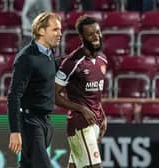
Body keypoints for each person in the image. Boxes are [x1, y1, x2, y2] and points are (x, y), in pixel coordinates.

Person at [7, 12, 62, 168]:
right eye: (55, 29)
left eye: (60, 29)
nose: (60, 33)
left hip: (45, 123)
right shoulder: (26, 57)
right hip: (30, 123)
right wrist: (15, 131)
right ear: (41, 31)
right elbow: (13, 95)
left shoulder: (49, 54)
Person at [55, 15, 107, 168]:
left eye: (98, 32)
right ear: (82, 37)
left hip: (94, 121)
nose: (96, 37)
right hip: (80, 125)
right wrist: (82, 109)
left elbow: (95, 93)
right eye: (91, 35)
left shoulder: (103, 59)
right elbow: (55, 95)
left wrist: (102, 114)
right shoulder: (71, 63)